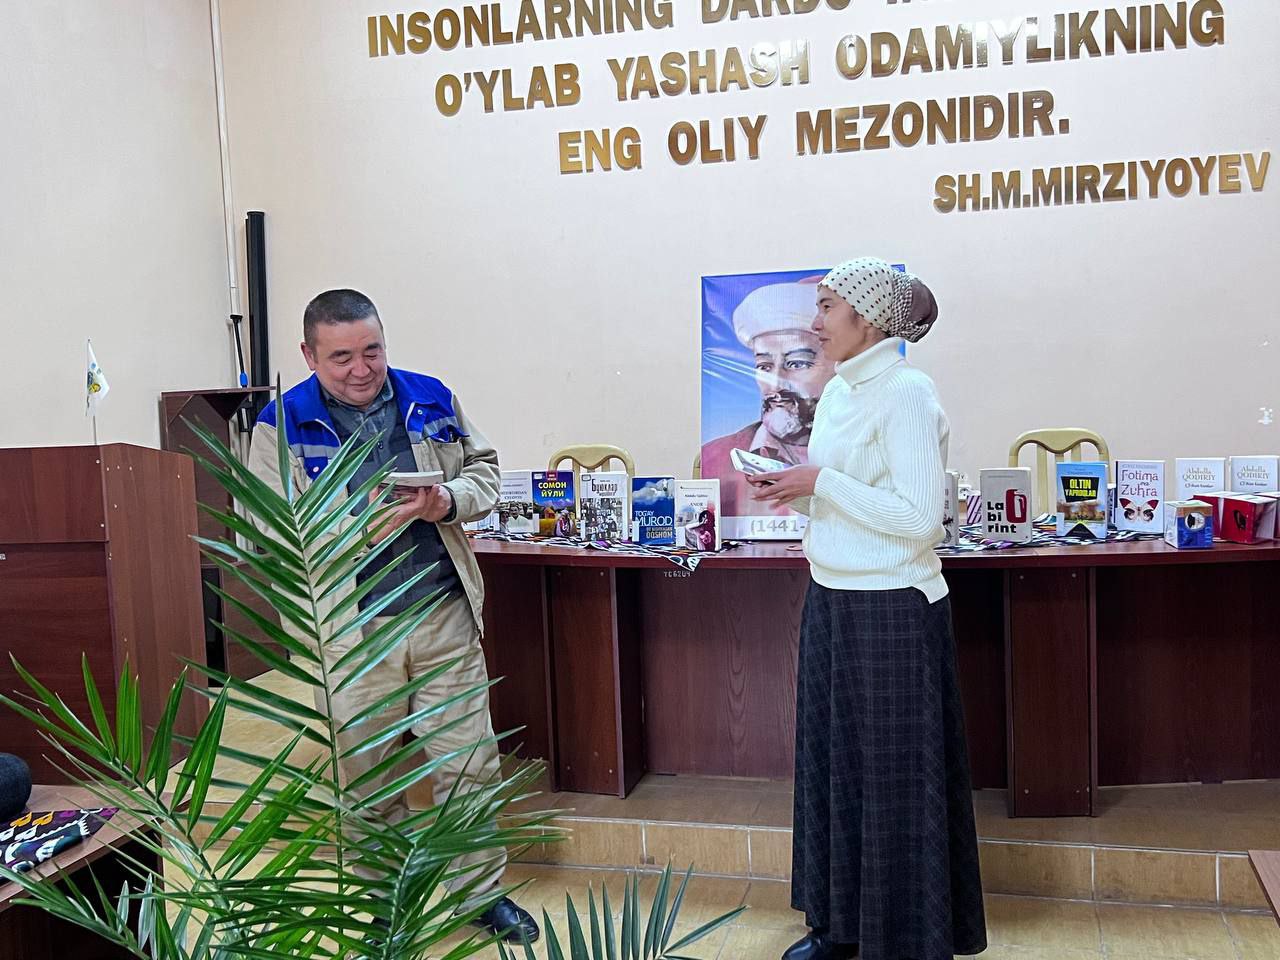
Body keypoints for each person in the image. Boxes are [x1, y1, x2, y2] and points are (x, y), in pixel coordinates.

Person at [247, 289, 538, 944]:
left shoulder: (430, 397)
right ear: (309, 355)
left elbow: (485, 471)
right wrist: (357, 527)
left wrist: (446, 501)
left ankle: (480, 896)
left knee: (468, 767)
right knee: (366, 779)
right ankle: (384, 905)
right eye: (341, 357)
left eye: (372, 350)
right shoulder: (280, 423)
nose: (361, 369)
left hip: (440, 613)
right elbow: (269, 523)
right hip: (351, 633)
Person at [748, 259, 985, 960]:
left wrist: (822, 481)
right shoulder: (839, 392)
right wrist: (797, 491)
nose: (815, 321)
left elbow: (919, 520)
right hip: (832, 599)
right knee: (837, 771)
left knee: (893, 782)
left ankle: (903, 938)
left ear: (869, 318)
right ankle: (838, 926)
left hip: (893, 611)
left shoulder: (907, 392)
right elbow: (846, 498)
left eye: (827, 306)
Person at [701, 279, 836, 517]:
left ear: (838, 368)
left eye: (796, 363)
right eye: (764, 366)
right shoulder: (717, 457)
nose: (775, 385)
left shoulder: (863, 450)